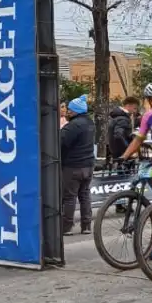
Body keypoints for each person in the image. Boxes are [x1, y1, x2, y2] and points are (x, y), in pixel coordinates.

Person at [61, 95, 95, 235]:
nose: (67, 112)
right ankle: (86, 226)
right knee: (85, 195)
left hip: (73, 166)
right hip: (88, 165)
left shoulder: (73, 126)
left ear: (75, 111)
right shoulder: (90, 123)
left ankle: (67, 227)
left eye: (69, 110)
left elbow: (60, 142)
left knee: (69, 197)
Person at [107, 96, 140, 160]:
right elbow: (118, 135)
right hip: (122, 153)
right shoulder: (123, 119)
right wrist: (129, 149)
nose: (135, 111)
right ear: (128, 106)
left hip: (116, 152)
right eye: (134, 108)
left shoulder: (117, 117)